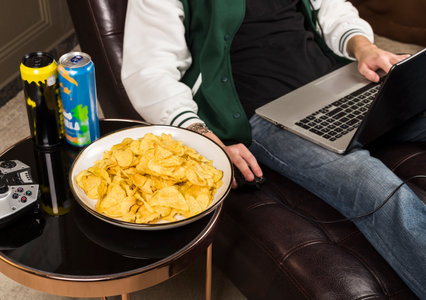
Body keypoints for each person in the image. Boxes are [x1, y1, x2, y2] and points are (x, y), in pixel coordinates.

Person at [121, 0, 426, 298]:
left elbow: (331, 8)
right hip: (267, 116)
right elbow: (150, 72)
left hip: (342, 81)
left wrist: (363, 48)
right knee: (381, 191)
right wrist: (199, 134)